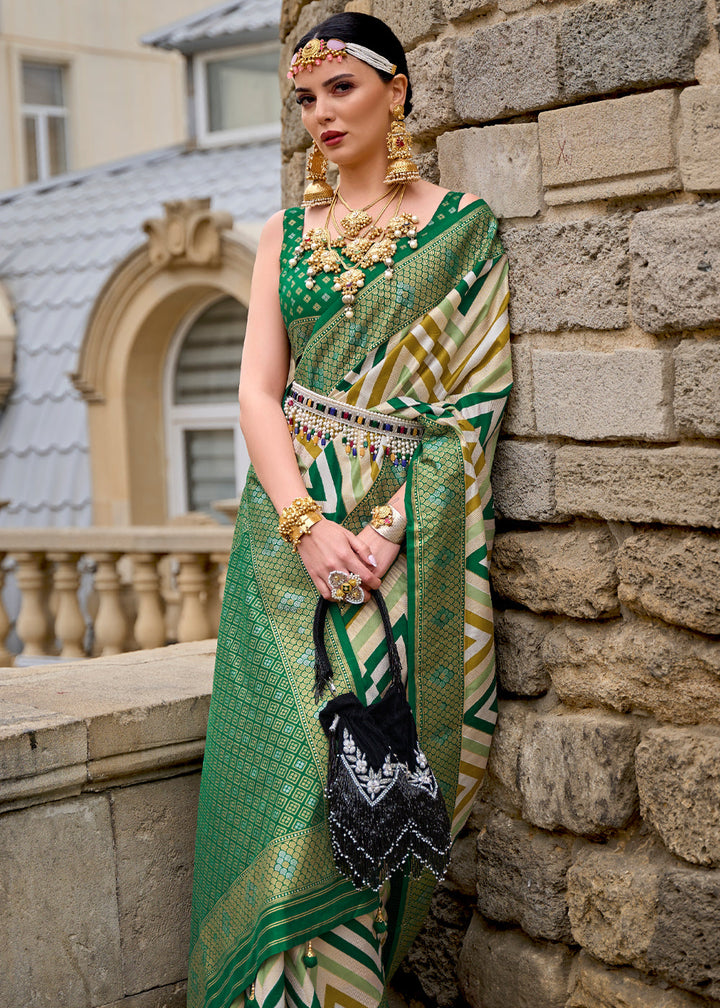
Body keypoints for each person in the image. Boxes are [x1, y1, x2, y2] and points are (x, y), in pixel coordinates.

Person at [187, 12, 511, 1008]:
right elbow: (256, 393)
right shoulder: (284, 234)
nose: (320, 114)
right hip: (285, 553)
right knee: (287, 789)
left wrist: (379, 534)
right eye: (305, 97)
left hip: (410, 551)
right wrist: (307, 526)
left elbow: (476, 403)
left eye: (341, 90)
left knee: (375, 799)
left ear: (396, 91)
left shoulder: (463, 230)